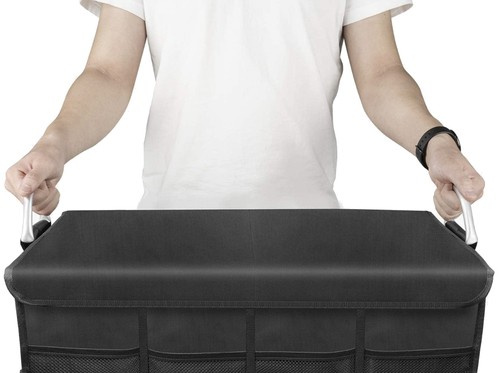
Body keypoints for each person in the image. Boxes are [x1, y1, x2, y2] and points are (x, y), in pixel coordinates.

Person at [4, 0, 484, 219]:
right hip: (172, 236)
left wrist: (436, 144)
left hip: (306, 238)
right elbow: (107, 73)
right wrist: (53, 146)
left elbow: (381, 74)